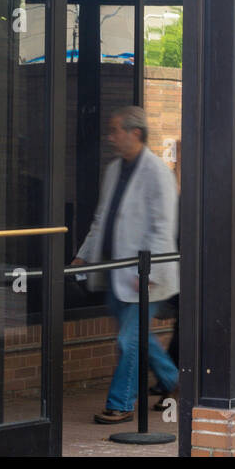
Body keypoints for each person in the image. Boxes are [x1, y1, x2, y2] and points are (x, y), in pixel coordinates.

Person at [70, 106, 180, 423]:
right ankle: (172, 378)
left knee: (128, 340)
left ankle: (121, 404)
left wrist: (149, 274)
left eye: (116, 130)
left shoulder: (158, 173)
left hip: (145, 277)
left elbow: (162, 227)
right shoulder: (115, 170)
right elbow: (103, 218)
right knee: (139, 338)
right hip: (116, 275)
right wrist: (84, 255)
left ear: (136, 133)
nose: (111, 137)